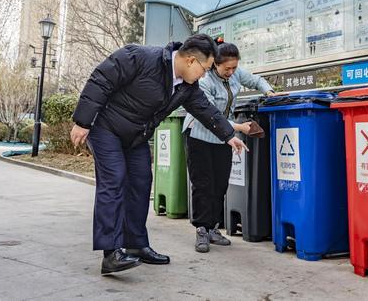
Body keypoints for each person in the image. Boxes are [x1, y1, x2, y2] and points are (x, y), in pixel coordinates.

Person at [70, 34, 248, 275]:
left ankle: (135, 244)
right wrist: (82, 121)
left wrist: (229, 136)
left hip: (136, 136)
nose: (204, 75)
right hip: (105, 128)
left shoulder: (187, 86)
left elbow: (206, 111)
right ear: (191, 61)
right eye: (205, 70)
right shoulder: (140, 57)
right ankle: (110, 252)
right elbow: (102, 79)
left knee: (142, 182)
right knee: (114, 180)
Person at [182, 40, 274, 253]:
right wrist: (240, 126)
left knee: (220, 183)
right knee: (203, 184)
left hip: (223, 137)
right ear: (215, 64)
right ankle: (201, 230)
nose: (231, 72)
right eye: (227, 68)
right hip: (199, 135)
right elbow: (210, 115)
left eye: (234, 67)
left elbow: (256, 80)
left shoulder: (236, 74)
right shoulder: (205, 81)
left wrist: (268, 91)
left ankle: (214, 227)